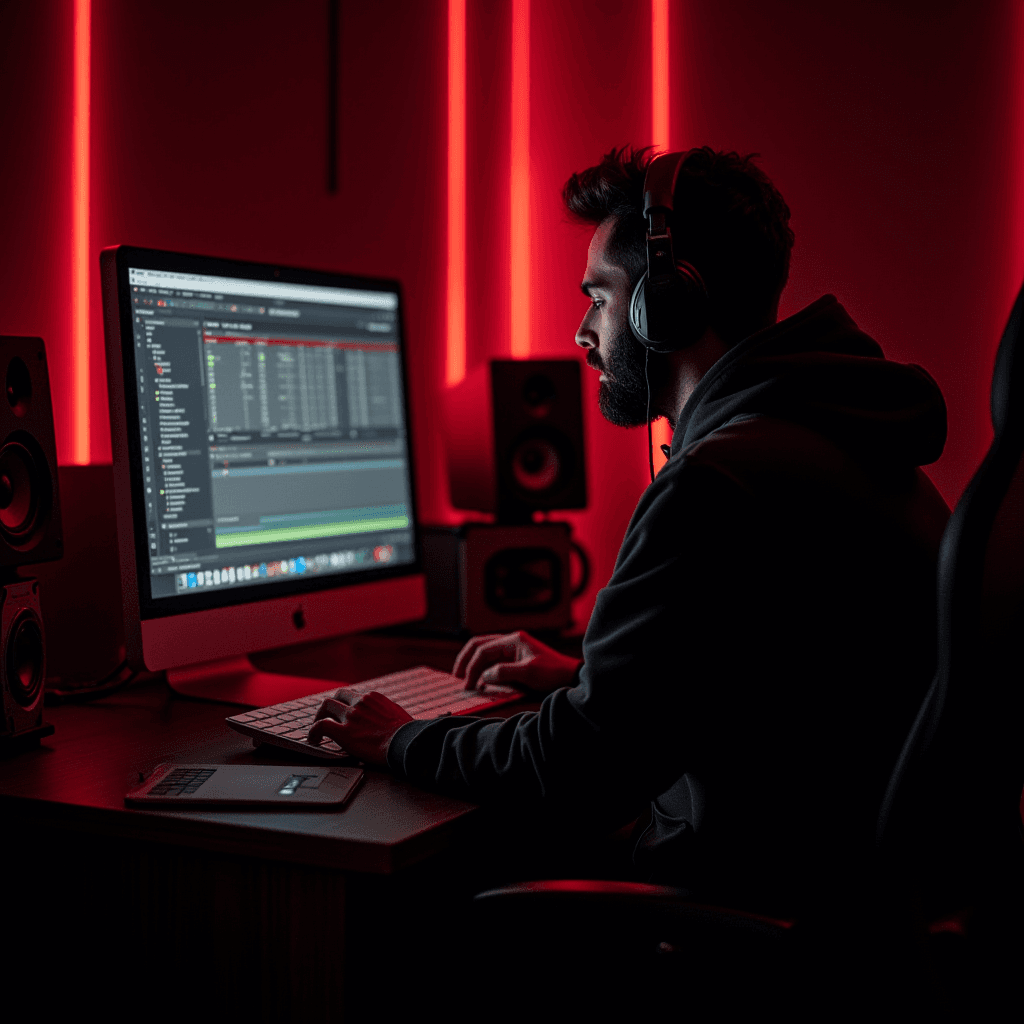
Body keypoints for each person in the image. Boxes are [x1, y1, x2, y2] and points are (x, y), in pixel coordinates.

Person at [309, 146, 951, 917]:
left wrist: (406, 738)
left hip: (755, 907)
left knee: (419, 904)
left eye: (599, 299)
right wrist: (587, 676)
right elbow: (781, 673)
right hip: (860, 884)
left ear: (667, 304)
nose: (583, 333)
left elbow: (576, 769)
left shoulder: (721, 481)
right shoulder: (836, 436)